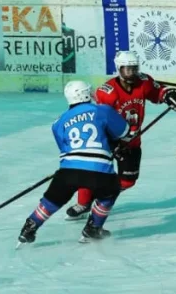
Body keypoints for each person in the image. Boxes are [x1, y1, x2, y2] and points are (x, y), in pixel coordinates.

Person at [65, 50, 176, 219]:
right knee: (90, 172)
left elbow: (157, 93)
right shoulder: (107, 92)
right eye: (126, 69)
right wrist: (113, 144)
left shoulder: (144, 82)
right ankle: (83, 204)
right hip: (109, 140)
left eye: (133, 68)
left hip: (132, 141)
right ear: (119, 69)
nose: (131, 72)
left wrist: (169, 95)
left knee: (128, 181)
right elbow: (100, 120)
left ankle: (104, 194)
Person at [17, 80, 130, 246]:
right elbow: (124, 133)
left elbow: (65, 149)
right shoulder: (102, 110)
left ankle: (30, 226)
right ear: (84, 94)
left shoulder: (58, 122)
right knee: (110, 191)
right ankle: (93, 228)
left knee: (52, 200)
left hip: (68, 170)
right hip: (99, 169)